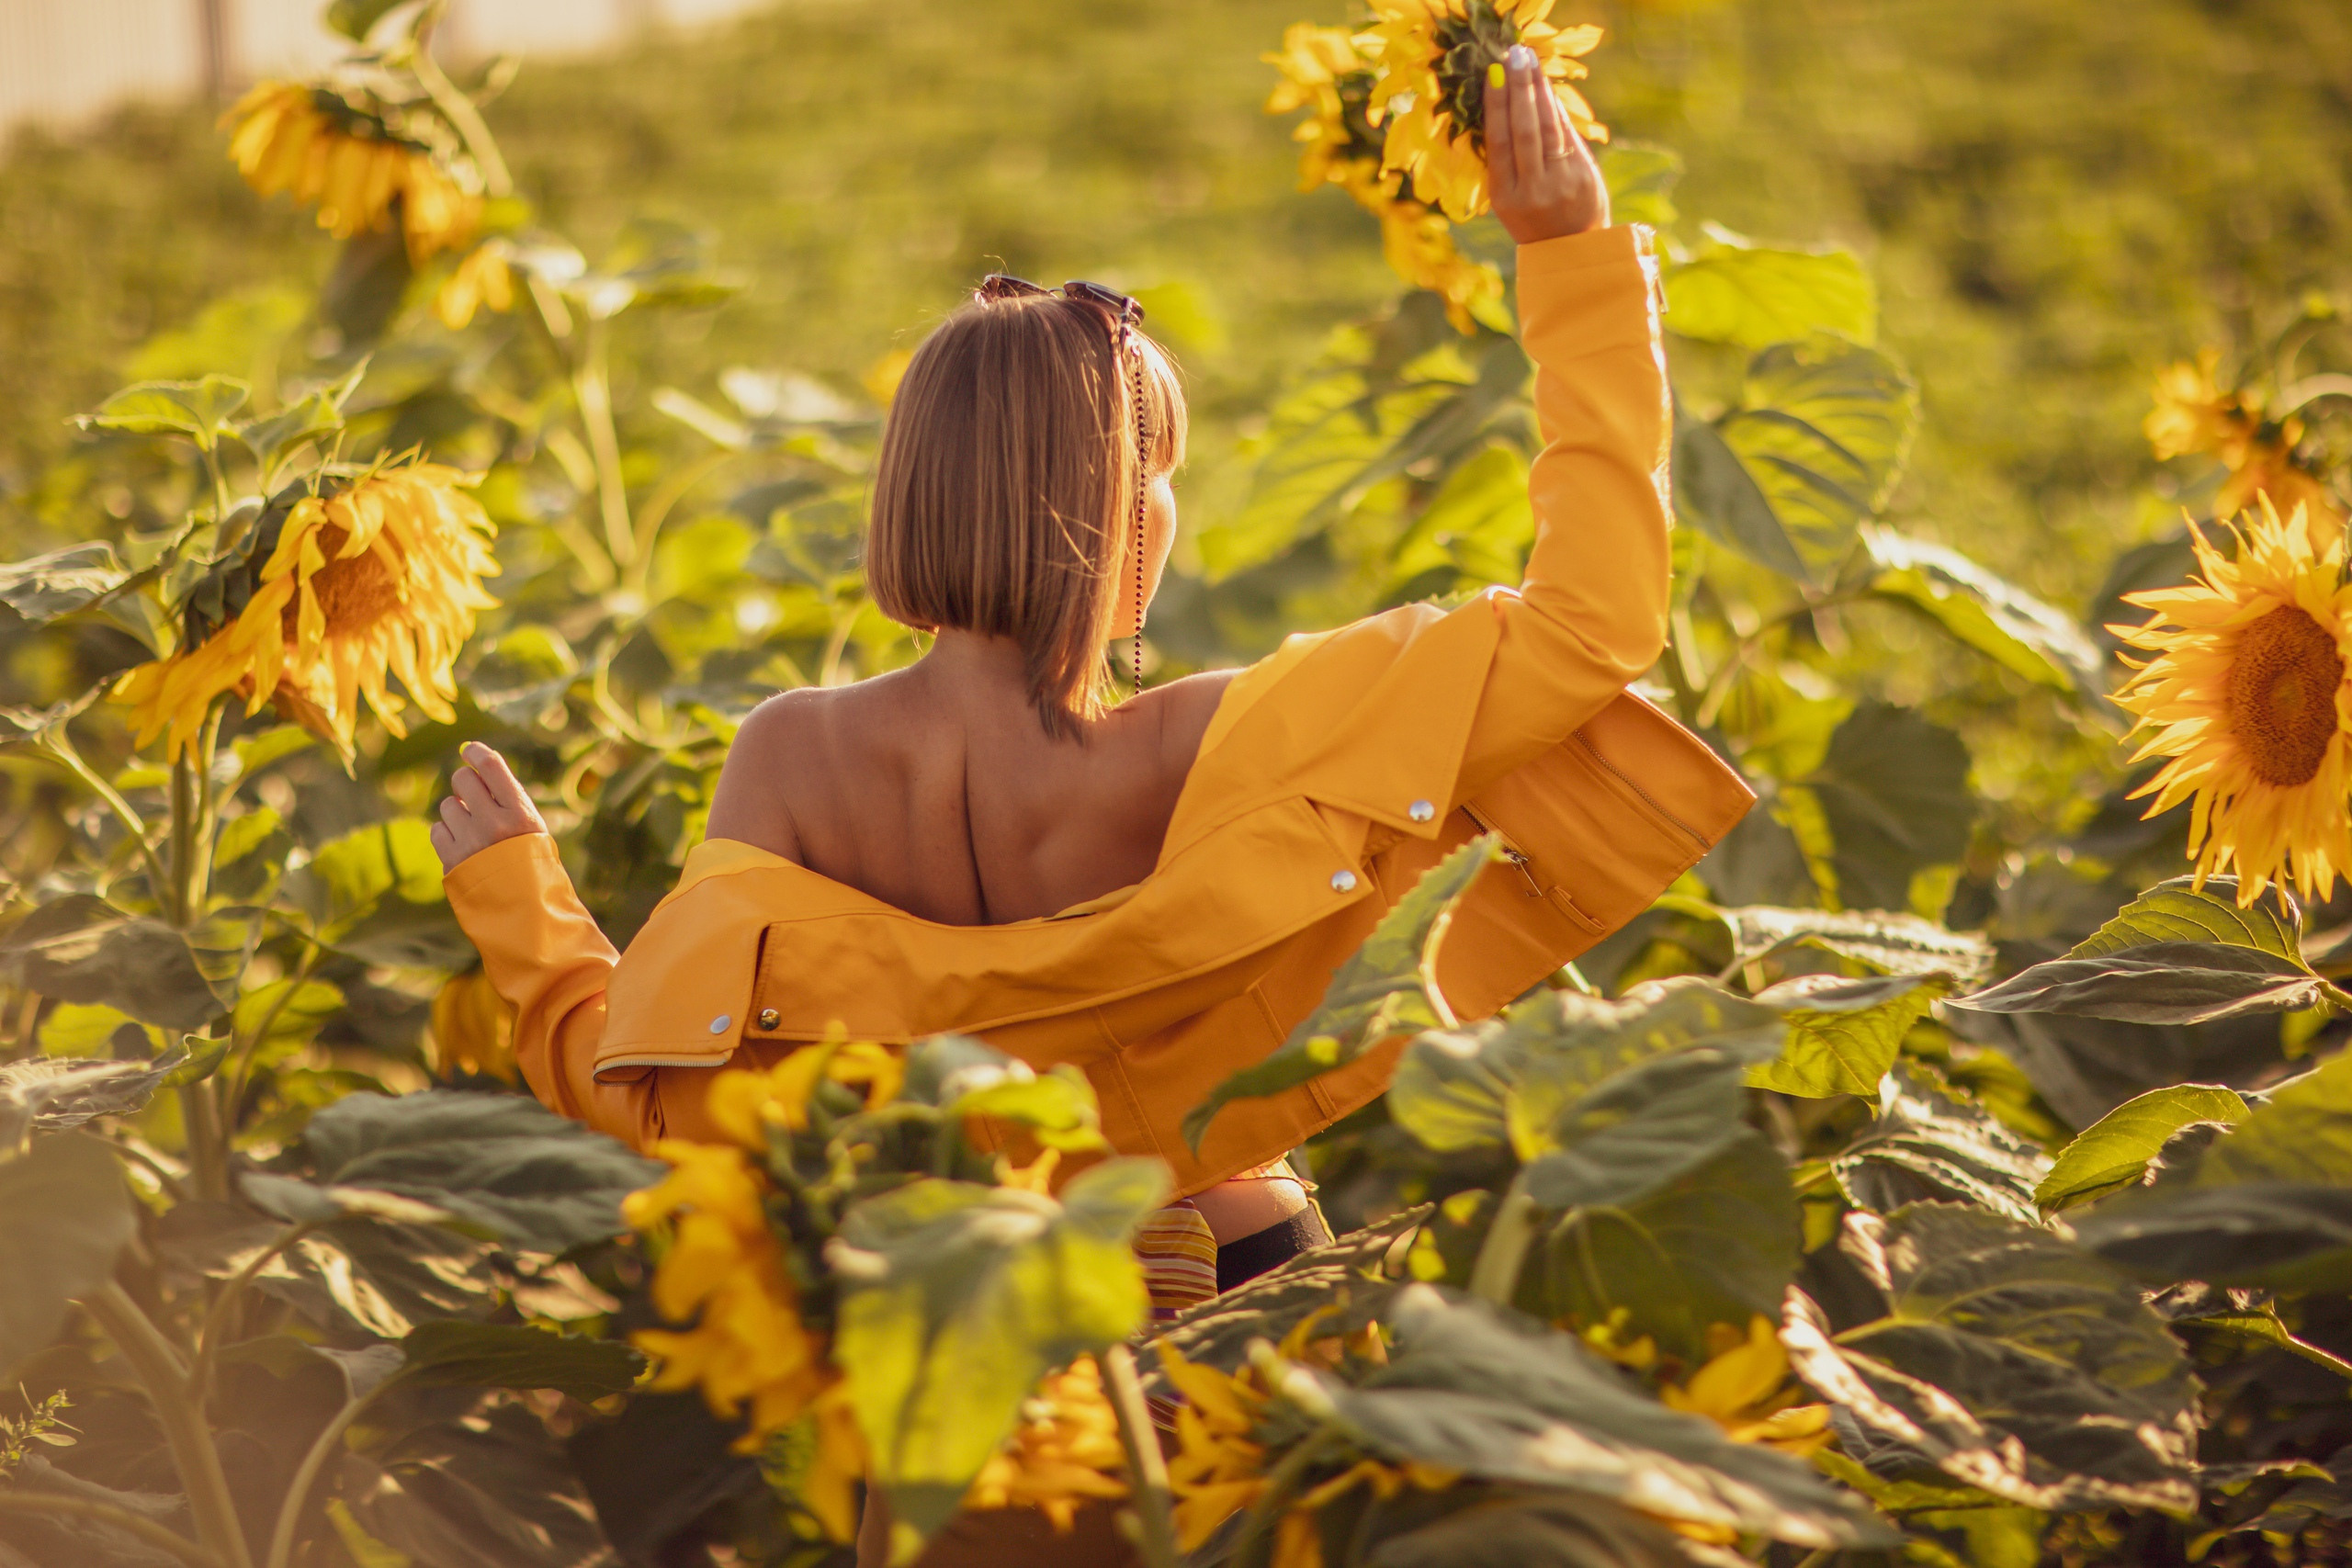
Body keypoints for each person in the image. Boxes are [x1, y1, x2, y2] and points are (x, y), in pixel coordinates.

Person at [432, 48, 1751, 1566]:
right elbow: (1594, 623)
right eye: (1164, 472)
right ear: (1129, 510)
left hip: (955, 1358)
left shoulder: (793, 762)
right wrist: (1570, 257)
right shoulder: (1211, 746)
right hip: (1249, 1304)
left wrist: (525, 915)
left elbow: (663, 1090)